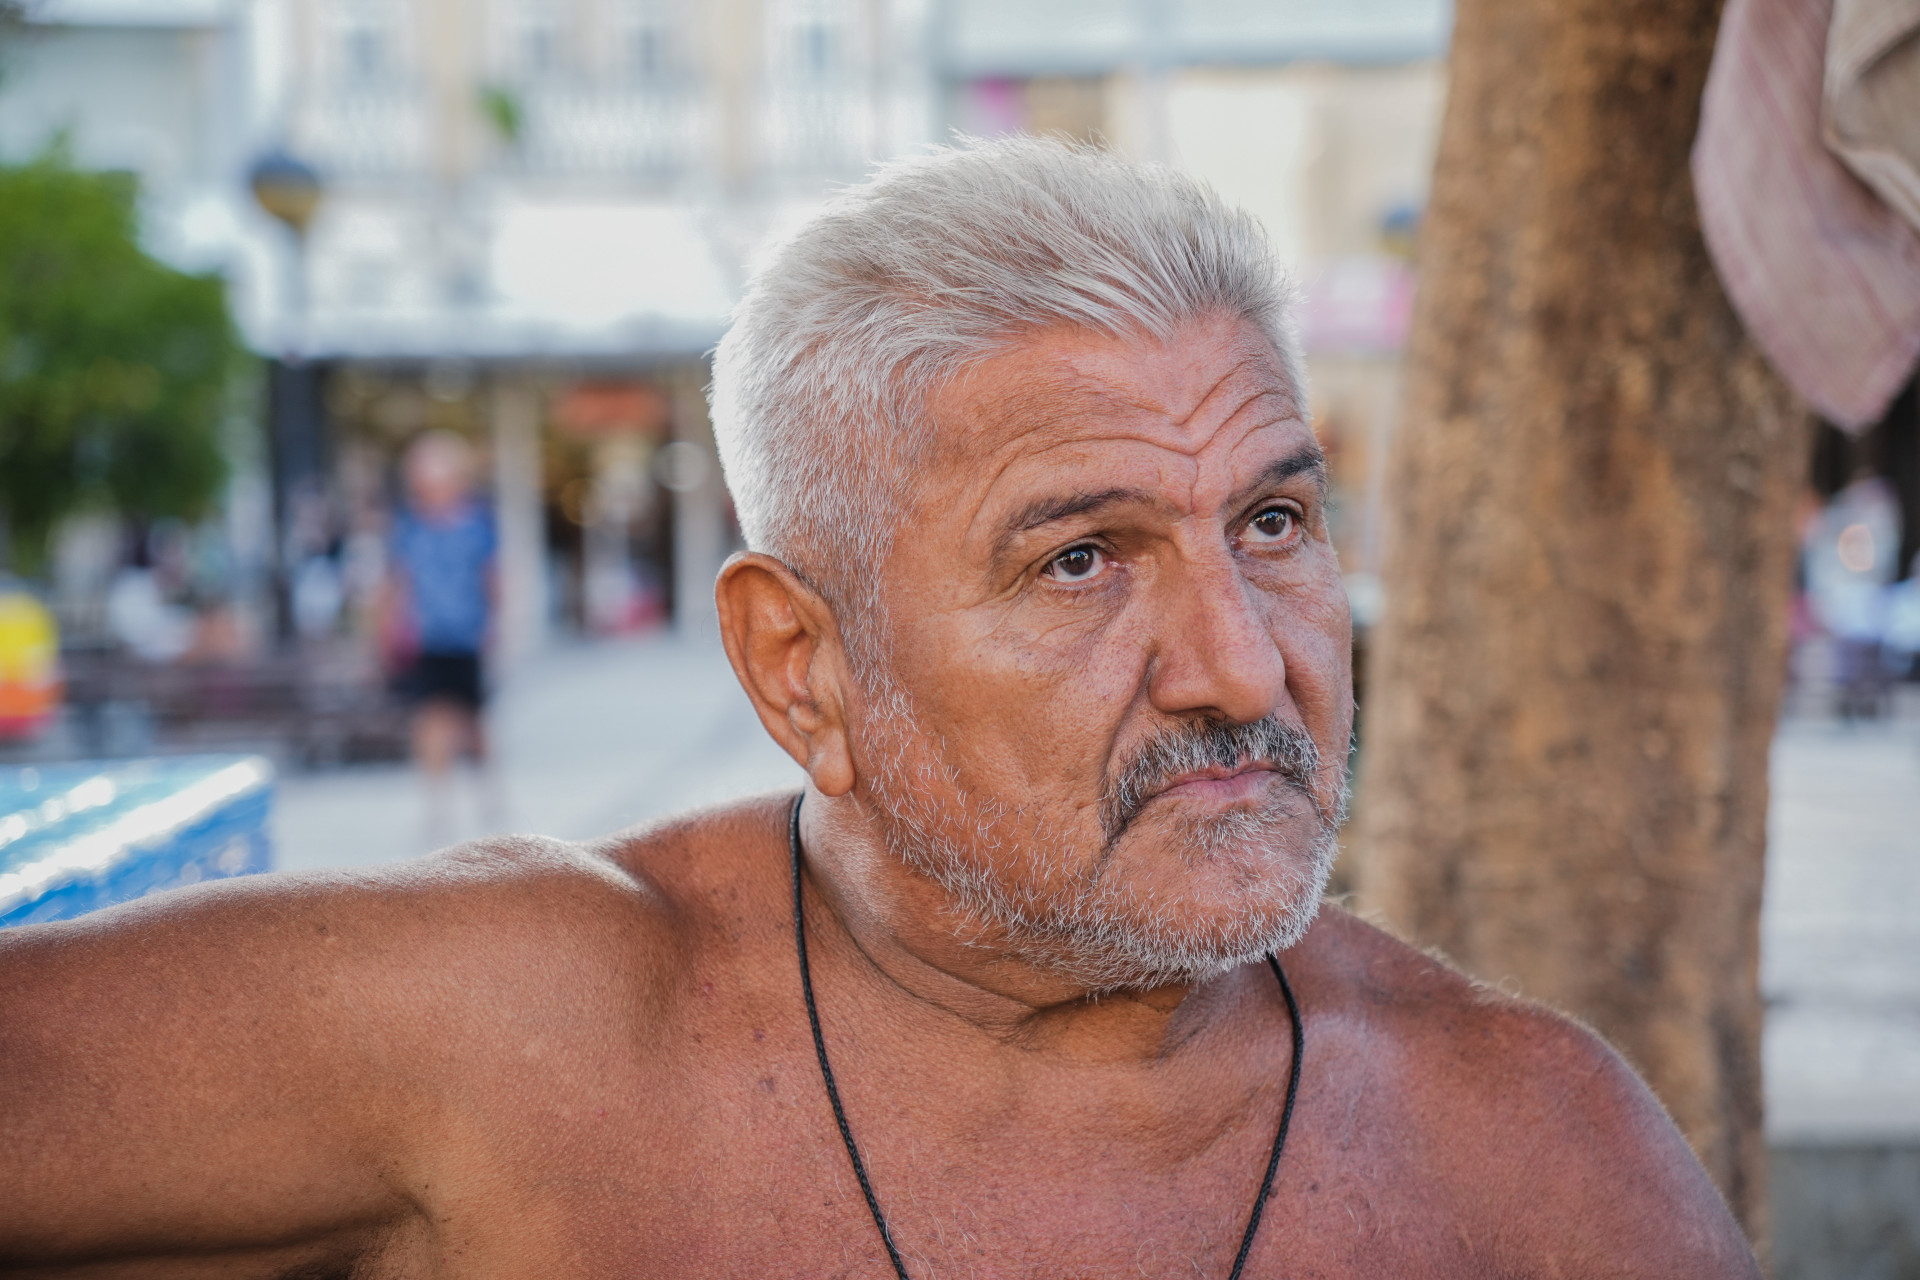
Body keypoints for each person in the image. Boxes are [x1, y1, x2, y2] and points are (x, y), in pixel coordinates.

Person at [0, 138, 1758, 1277]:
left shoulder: (1529, 1155)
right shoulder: (518, 1036)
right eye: (1082, 560)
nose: (1239, 667)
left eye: (1275, 525)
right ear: (801, 667)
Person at [383, 430, 499, 841]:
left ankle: (488, 796)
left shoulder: (477, 523)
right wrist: (389, 628)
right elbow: (397, 580)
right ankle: (438, 807)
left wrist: (497, 627)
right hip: (426, 637)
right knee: (430, 721)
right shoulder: (408, 526)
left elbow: (493, 577)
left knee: (473, 724)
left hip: (467, 635)